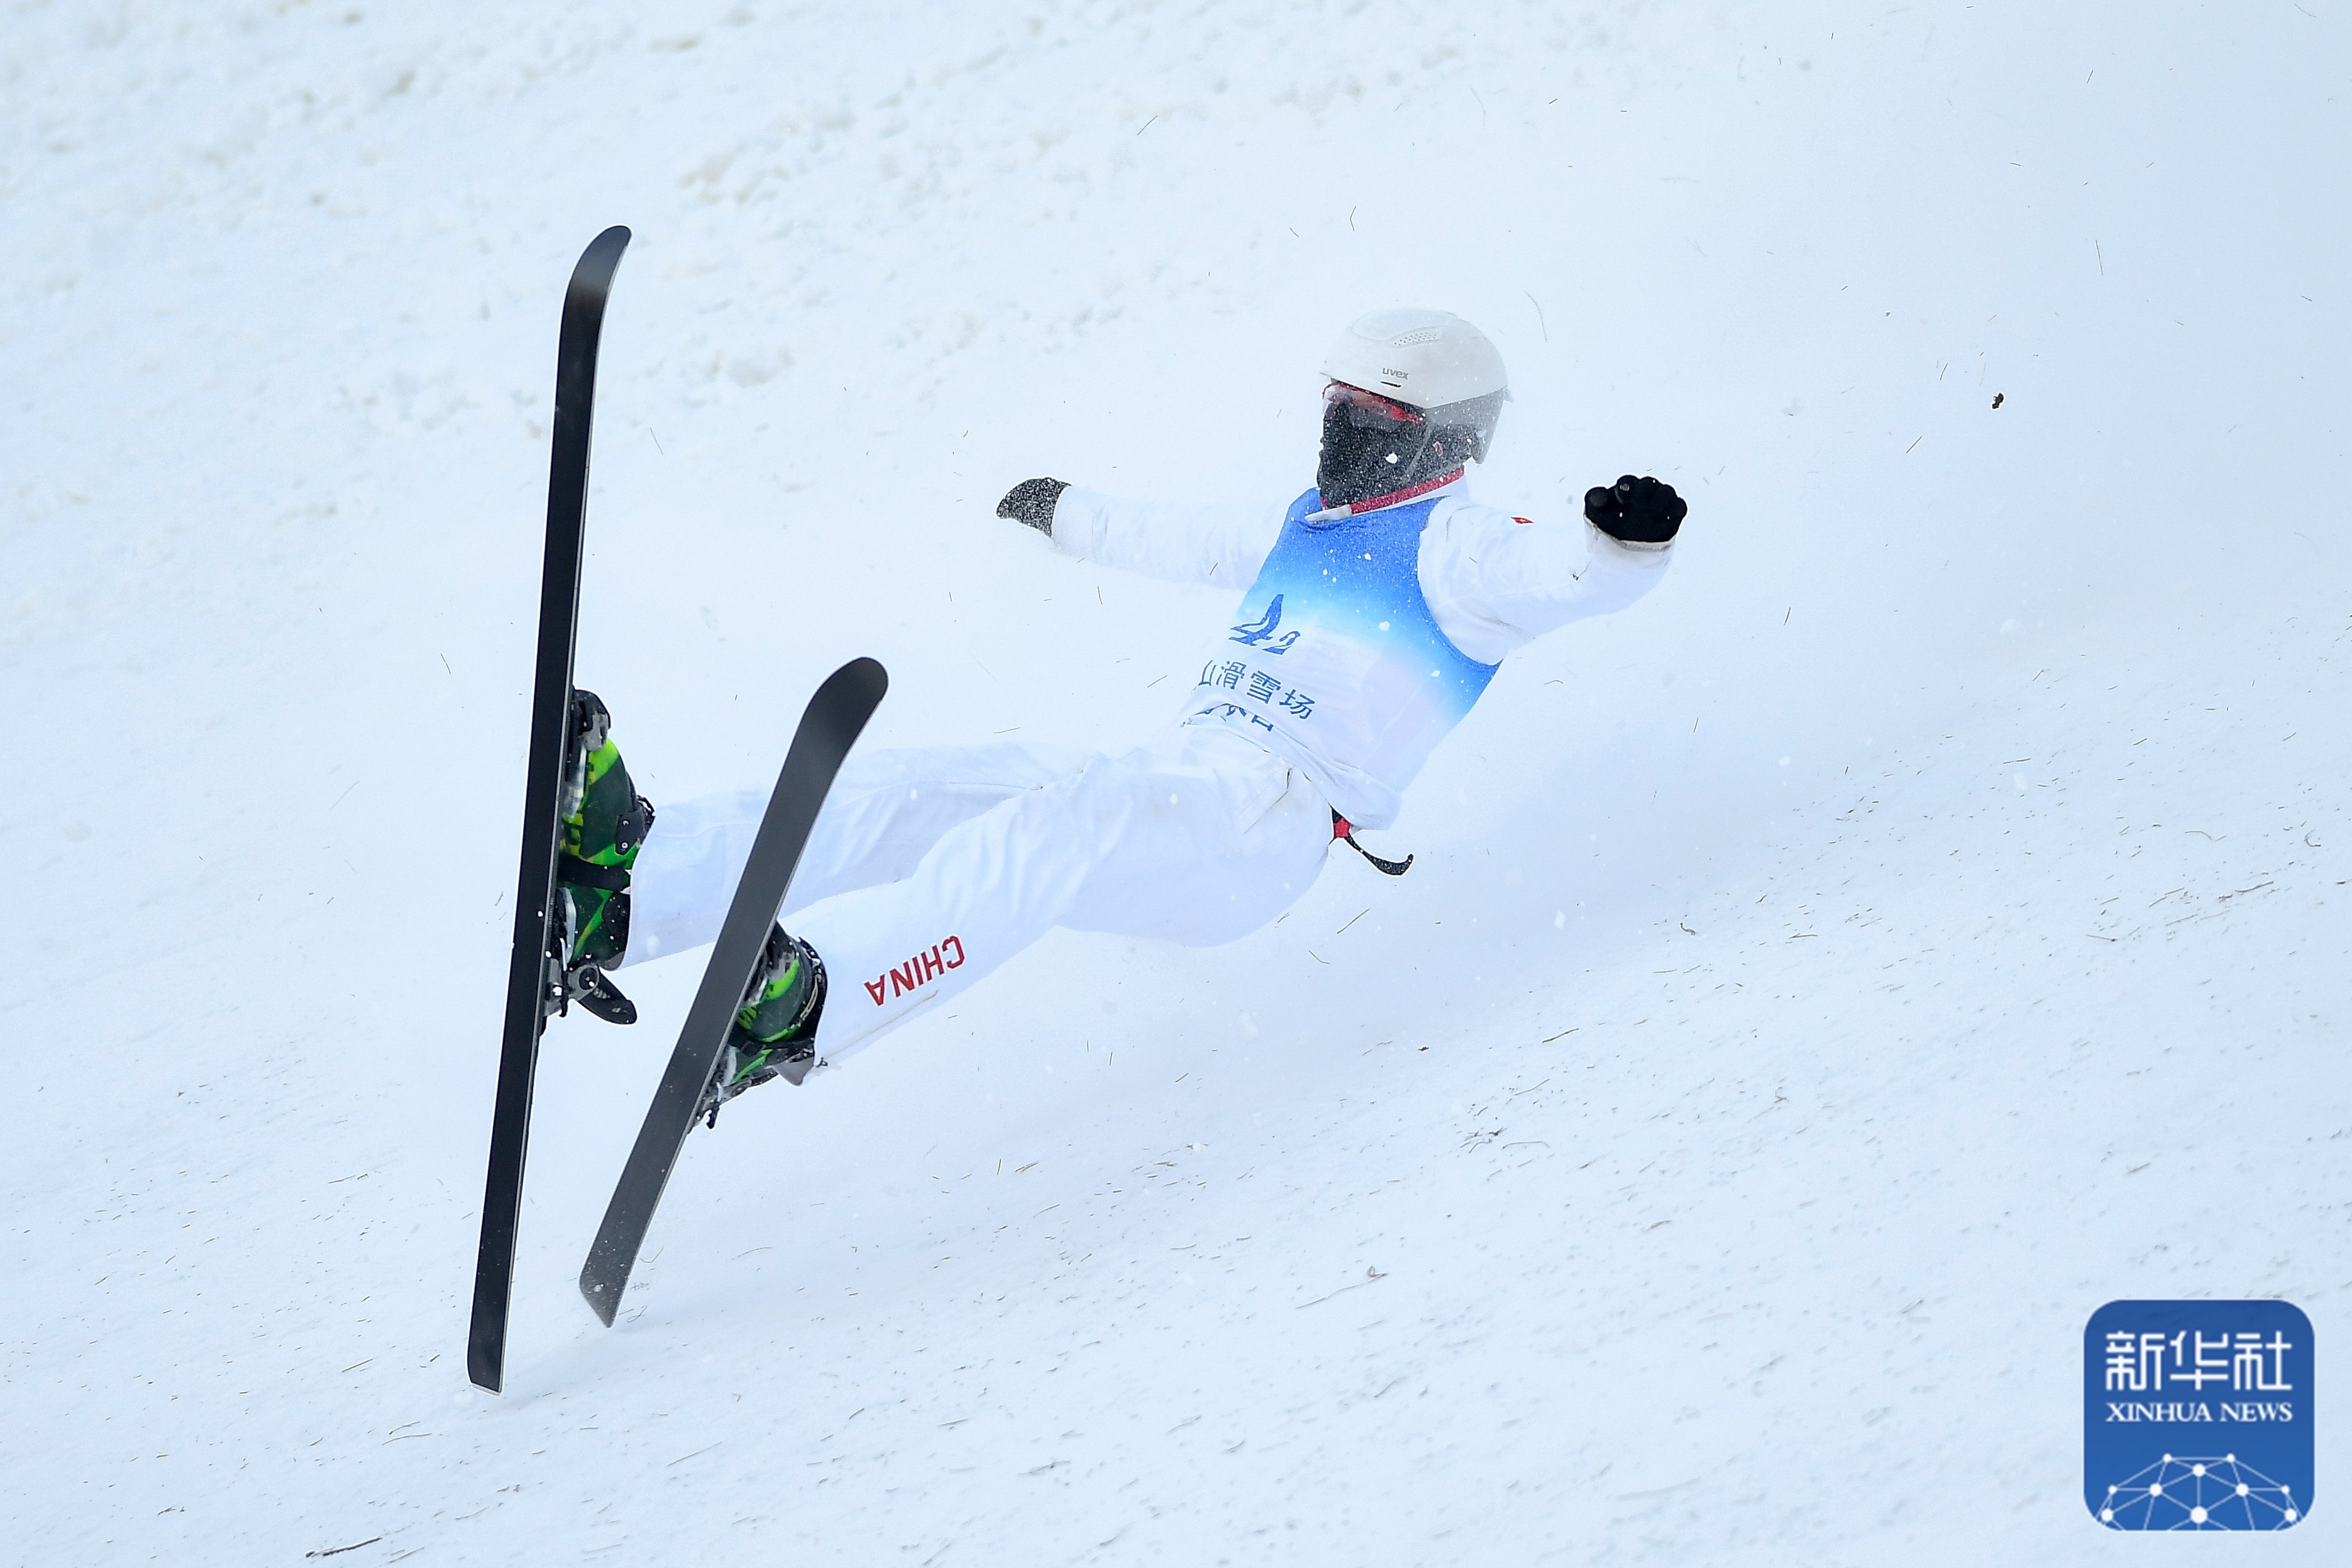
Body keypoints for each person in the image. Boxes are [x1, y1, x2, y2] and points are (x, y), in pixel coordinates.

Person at [554, 308, 1687, 1116]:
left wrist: (1621, 543)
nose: (1343, 437)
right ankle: (632, 890)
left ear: (1440, 436)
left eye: (1372, 416)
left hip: (1267, 822)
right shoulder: (1310, 519)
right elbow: (1178, 536)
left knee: (1051, 830)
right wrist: (1068, 514)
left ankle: (805, 1011)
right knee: (928, 786)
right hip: (1181, 774)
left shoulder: (1463, 550)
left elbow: (1573, 586)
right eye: (1335, 409)